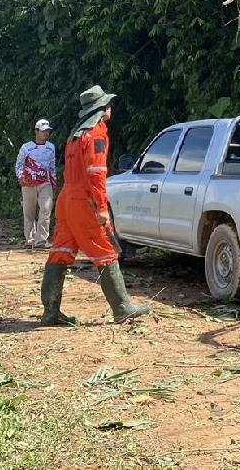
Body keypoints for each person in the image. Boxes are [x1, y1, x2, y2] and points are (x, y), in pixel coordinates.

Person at [40, 85, 150, 326]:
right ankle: (122, 307)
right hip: (84, 201)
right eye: (108, 105)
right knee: (105, 250)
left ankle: (50, 312)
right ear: (102, 109)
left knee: (60, 252)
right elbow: (97, 173)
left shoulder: (74, 136)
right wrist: (101, 207)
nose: (111, 108)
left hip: (67, 199)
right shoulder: (96, 134)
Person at [14, 119, 57, 248]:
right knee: (29, 212)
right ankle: (30, 239)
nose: (46, 133)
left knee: (46, 210)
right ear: (36, 132)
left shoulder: (51, 147)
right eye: (43, 131)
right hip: (29, 183)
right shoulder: (26, 147)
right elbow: (19, 164)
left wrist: (54, 181)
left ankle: (41, 240)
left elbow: (52, 166)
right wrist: (20, 177)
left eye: (47, 131)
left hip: (45, 182)